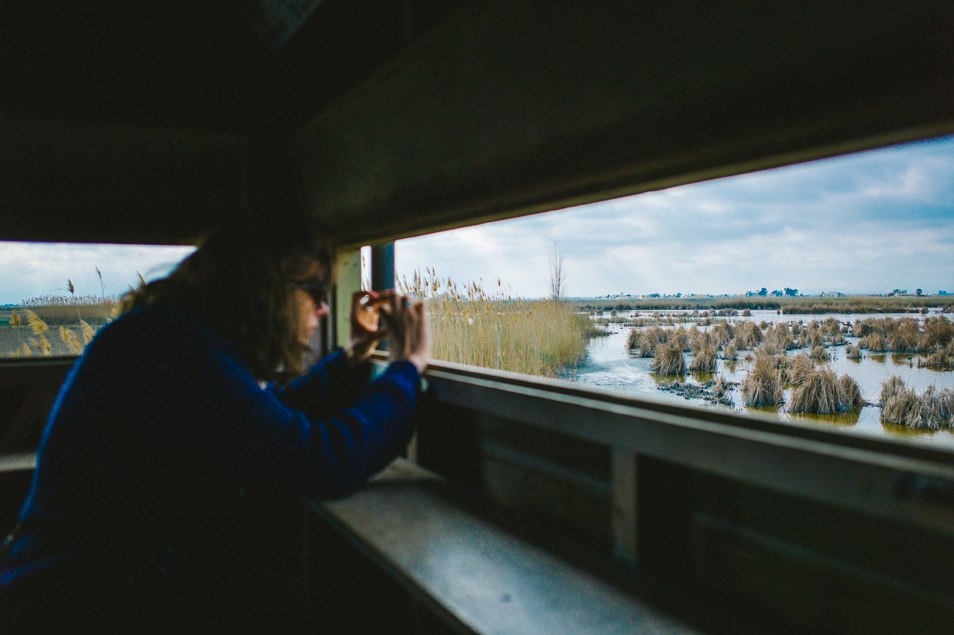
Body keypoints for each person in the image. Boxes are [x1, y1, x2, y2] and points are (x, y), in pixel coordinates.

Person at [0, 222, 429, 632]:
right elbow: (321, 460)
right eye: (315, 291)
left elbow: (262, 415)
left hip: (73, 598)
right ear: (267, 291)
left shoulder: (168, 337)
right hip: (72, 612)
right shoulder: (177, 351)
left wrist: (354, 355)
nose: (321, 308)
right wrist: (407, 368)